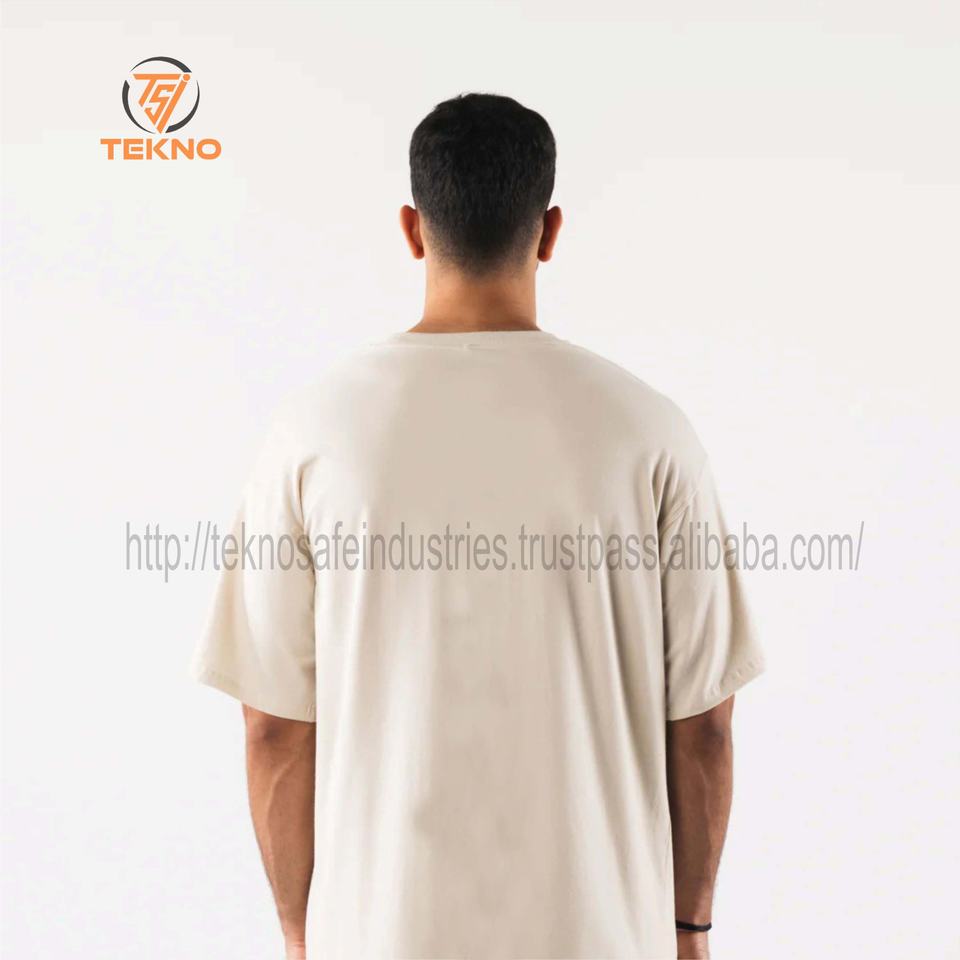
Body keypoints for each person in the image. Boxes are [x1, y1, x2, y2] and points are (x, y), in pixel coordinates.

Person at [191, 92, 764, 960]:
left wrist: (302, 931)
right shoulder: (647, 429)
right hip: (601, 935)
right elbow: (706, 725)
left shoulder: (314, 433)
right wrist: (688, 930)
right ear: (551, 230)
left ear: (412, 229)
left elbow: (272, 727)